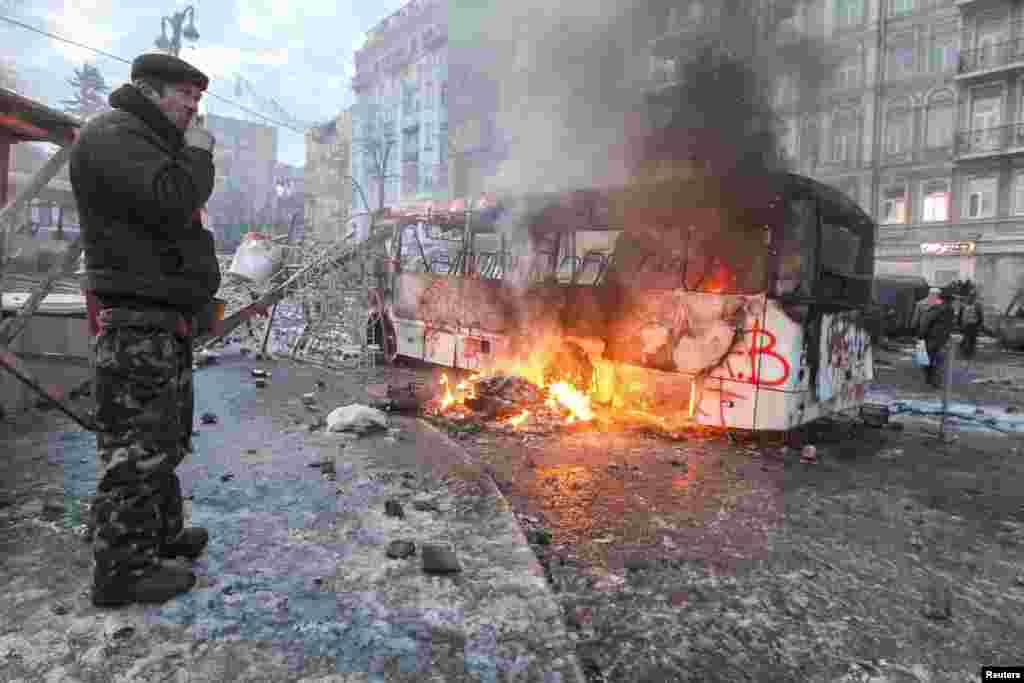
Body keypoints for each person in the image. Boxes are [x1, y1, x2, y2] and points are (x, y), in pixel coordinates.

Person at [70, 51, 221, 607]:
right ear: (150, 90)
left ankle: (159, 534)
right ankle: (122, 571)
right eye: (186, 96)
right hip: (136, 321)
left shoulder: (147, 141)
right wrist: (199, 156)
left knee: (163, 437)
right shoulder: (115, 135)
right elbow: (174, 201)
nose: (193, 110)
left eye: (197, 99)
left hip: (159, 318)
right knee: (137, 447)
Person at [917, 289, 956, 389]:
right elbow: (926, 322)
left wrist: (921, 335)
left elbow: (926, 322)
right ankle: (932, 379)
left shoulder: (943, 310)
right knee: (931, 360)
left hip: (935, 339)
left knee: (931, 360)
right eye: (950, 300)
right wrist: (922, 335)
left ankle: (932, 379)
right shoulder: (940, 309)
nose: (951, 303)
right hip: (934, 338)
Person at [958, 292, 984, 360]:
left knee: (972, 340)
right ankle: (965, 352)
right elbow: (960, 315)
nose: (971, 298)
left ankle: (969, 353)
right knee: (966, 339)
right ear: (968, 296)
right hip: (966, 325)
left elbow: (980, 316)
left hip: (973, 325)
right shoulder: (963, 305)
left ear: (974, 297)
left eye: (972, 296)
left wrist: (979, 324)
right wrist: (959, 324)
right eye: (970, 296)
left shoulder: (977, 305)